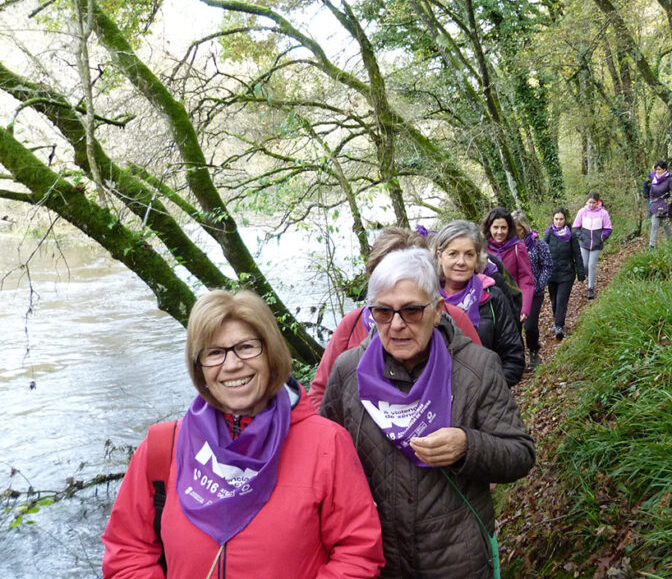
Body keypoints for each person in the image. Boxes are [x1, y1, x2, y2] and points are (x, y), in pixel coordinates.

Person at [102, 290, 384, 579]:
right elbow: (127, 552)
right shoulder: (163, 447)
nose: (232, 364)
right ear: (198, 367)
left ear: (272, 354)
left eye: (247, 347)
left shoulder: (326, 444)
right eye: (214, 353)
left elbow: (357, 551)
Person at [320, 248, 535, 579]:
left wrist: (468, 446)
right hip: (378, 560)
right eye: (383, 312)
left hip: (457, 560)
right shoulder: (348, 372)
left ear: (436, 311)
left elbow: (520, 454)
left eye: (412, 311)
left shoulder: (475, 368)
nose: (397, 325)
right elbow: (324, 462)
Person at [308, 227, 481, 410]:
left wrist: (463, 436)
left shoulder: (454, 318)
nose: (397, 324)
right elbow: (321, 391)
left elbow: (481, 382)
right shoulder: (352, 324)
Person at [431, 220, 526, 386]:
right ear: (439, 256)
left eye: (469, 254)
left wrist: (491, 391)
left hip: (487, 401)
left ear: (477, 258)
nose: (461, 261)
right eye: (453, 254)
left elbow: (513, 355)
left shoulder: (492, 297)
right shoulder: (426, 301)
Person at [512, 210, 552, 370]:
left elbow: (548, 265)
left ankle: (534, 350)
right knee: (515, 328)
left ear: (524, 226)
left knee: (530, 326)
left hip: (534, 293)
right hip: (515, 293)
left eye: (518, 228)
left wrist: (539, 285)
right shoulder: (510, 246)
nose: (516, 232)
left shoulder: (537, 243)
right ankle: (518, 358)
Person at [482, 207, 535, 326]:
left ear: (509, 228)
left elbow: (526, 279)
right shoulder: (482, 249)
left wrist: (524, 308)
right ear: (489, 227)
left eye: (503, 228)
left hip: (513, 305)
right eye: (495, 227)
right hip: (490, 306)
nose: (499, 232)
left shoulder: (518, 247)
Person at [543, 207, 585, 340]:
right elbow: (542, 253)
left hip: (567, 273)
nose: (559, 221)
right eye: (556, 219)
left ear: (565, 220)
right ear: (553, 219)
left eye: (561, 219)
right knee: (554, 300)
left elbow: (577, 254)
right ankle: (557, 322)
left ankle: (559, 325)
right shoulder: (549, 234)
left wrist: (581, 273)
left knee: (562, 300)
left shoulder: (571, 235)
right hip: (552, 274)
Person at [572, 191, 612, 300]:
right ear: (587, 201)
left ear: (598, 202)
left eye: (594, 202)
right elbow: (575, 228)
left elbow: (608, 229)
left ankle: (590, 288)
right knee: (584, 265)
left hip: (596, 244)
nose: (591, 205)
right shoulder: (582, 212)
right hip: (584, 243)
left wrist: (602, 237)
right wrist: (581, 236)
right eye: (590, 202)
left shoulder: (603, 213)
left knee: (591, 265)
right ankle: (590, 277)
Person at [647, 160, 672, 247]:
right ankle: (651, 245)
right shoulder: (654, 180)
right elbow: (651, 193)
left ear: (664, 169)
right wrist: (652, 203)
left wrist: (668, 204)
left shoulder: (670, 180)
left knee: (666, 226)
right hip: (655, 206)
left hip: (666, 206)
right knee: (654, 225)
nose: (657, 171)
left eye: (659, 169)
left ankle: (670, 243)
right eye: (656, 169)